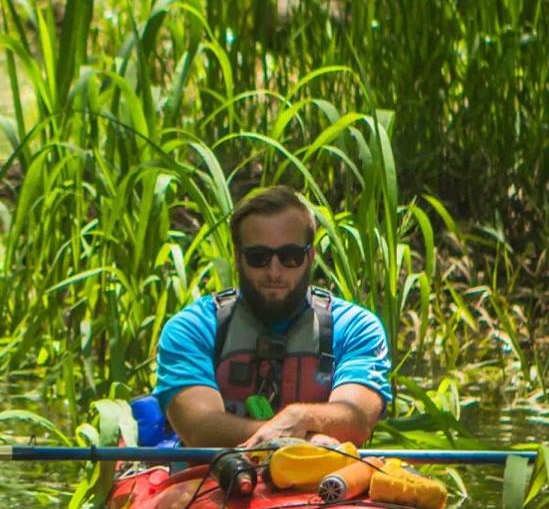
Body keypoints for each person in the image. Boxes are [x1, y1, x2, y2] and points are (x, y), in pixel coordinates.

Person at [143, 185, 391, 450]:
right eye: (258, 257)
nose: (274, 272)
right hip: (212, 483)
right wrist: (301, 438)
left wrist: (300, 416)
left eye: (290, 257)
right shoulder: (191, 328)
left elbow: (357, 420)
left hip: (318, 483)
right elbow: (201, 430)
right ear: (238, 258)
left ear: (310, 257)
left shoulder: (356, 327)